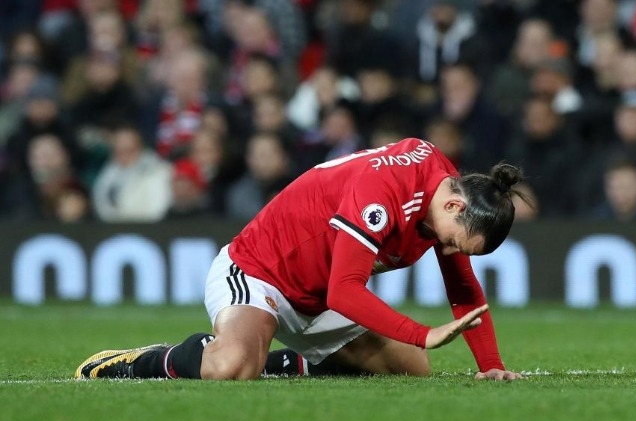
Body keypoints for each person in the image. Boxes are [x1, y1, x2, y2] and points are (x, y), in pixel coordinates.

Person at [75, 137, 523, 382]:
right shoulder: (385, 192)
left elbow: (463, 288)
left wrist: (492, 366)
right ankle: (149, 361)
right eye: (455, 243)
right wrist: (422, 333)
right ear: (454, 206)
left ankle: (276, 361)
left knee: (409, 369)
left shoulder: (447, 195)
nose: (449, 253)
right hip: (259, 273)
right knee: (231, 367)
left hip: (316, 297)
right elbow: (345, 291)